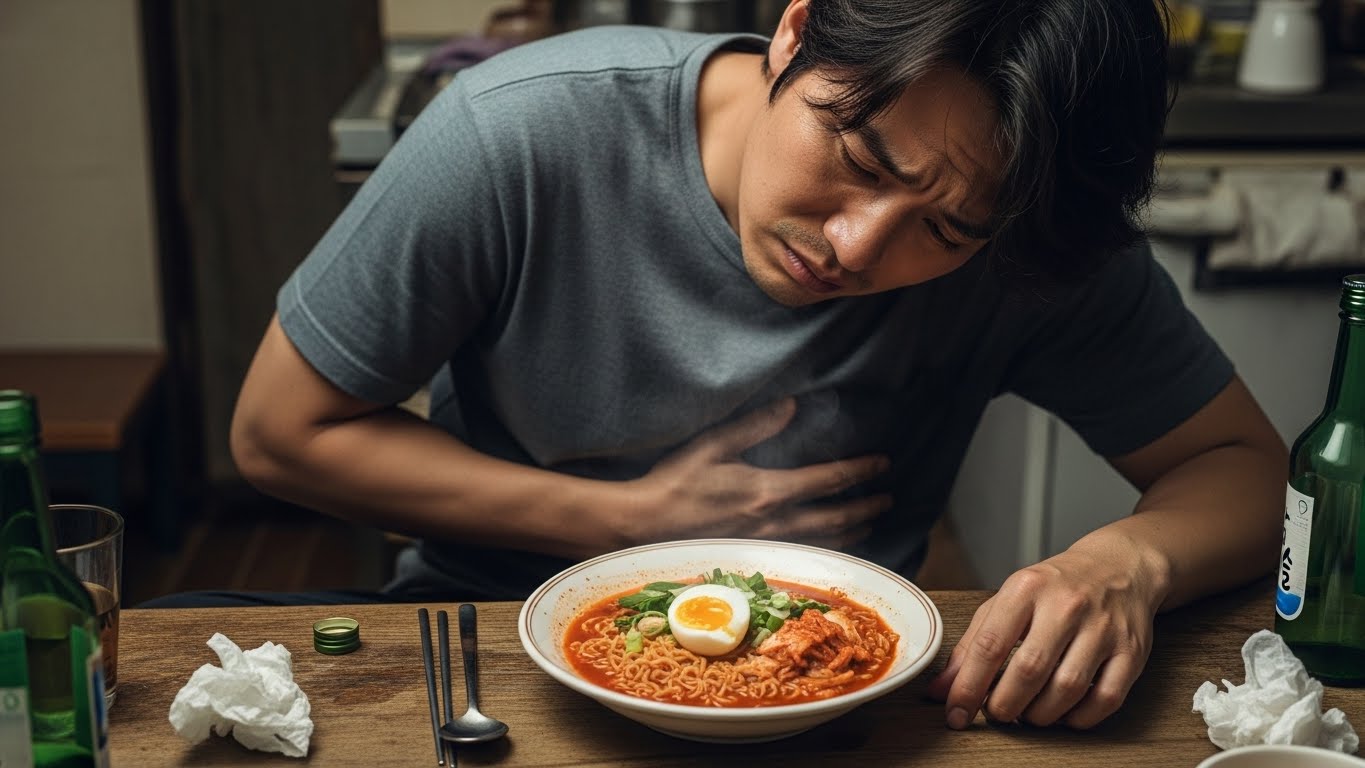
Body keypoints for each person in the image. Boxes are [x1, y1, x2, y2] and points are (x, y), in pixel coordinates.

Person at [219, 0, 1285, 731]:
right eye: (859, 159)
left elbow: (1247, 468)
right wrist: (622, 521)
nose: (859, 247)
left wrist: (1123, 565)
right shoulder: (518, 134)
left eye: (945, 231)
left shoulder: (1027, 235)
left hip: (850, 700)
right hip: (490, 653)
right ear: (795, 33)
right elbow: (277, 432)